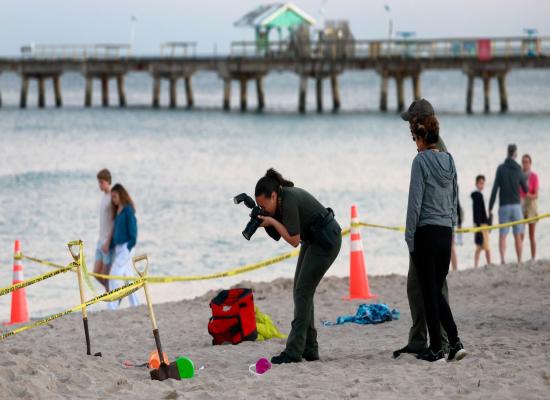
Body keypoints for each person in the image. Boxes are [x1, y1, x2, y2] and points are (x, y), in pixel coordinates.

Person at [253, 168, 342, 364]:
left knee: (303, 292)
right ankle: (310, 349)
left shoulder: (290, 199)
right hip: (313, 241)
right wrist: (266, 221)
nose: (263, 208)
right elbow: (281, 235)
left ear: (274, 195)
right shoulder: (281, 201)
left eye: (263, 204)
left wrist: (271, 222)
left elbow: (293, 239)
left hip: (327, 241)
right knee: (300, 291)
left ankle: (293, 352)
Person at [405, 112, 466, 362]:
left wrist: (409, 238)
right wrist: (451, 227)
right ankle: (454, 343)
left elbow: (414, 204)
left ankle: (438, 348)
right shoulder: (449, 160)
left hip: (426, 234)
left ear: (422, 138)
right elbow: (454, 198)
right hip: (445, 233)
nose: (414, 143)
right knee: (434, 291)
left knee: (429, 291)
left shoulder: (419, 162)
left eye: (414, 138)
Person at [393, 99, 450, 359]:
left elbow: (420, 200)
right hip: (432, 231)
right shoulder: (428, 148)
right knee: (416, 286)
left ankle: (443, 341)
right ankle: (419, 339)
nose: (408, 130)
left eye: (411, 123)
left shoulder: (433, 152)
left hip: (428, 232)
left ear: (420, 123)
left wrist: (410, 235)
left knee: (433, 287)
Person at [488, 144, 528, 265]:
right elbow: (525, 189)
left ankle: (503, 260)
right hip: (516, 206)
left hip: (504, 206)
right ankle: (520, 260)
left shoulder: (501, 168)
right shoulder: (518, 169)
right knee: (518, 235)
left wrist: (490, 206)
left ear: (507, 153)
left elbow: (495, 188)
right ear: (515, 154)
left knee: (503, 235)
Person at [107, 183, 140, 310]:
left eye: (115, 196)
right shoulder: (118, 211)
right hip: (119, 247)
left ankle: (112, 307)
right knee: (128, 279)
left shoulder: (128, 210)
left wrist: (129, 247)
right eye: (112, 197)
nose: (113, 200)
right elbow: (117, 231)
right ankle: (136, 306)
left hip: (127, 247)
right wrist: (110, 246)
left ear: (121, 195)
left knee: (113, 275)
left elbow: (133, 231)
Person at [94, 169, 114, 290]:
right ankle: (112, 293)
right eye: (99, 182)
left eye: (101, 182)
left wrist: (108, 241)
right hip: (100, 240)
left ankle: (113, 298)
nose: (99, 185)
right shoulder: (104, 197)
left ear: (107, 181)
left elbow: (114, 222)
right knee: (96, 273)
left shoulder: (112, 197)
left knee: (107, 275)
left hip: (107, 242)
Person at [520, 154, 539, 261]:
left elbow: (536, 194)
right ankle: (520, 258)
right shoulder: (519, 175)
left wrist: (528, 195)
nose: (525, 164)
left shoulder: (534, 176)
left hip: (531, 205)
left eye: (527, 162)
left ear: (530, 163)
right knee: (521, 234)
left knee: (532, 234)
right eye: (523, 162)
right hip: (522, 205)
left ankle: (533, 257)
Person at [471, 175, 492, 267]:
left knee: (480, 245)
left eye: (483, 183)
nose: (481, 185)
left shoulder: (479, 196)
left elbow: (480, 211)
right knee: (485, 246)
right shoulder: (478, 196)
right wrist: (480, 224)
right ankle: (489, 263)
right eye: (480, 183)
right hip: (481, 224)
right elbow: (478, 212)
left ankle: (477, 264)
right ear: (476, 184)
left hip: (480, 223)